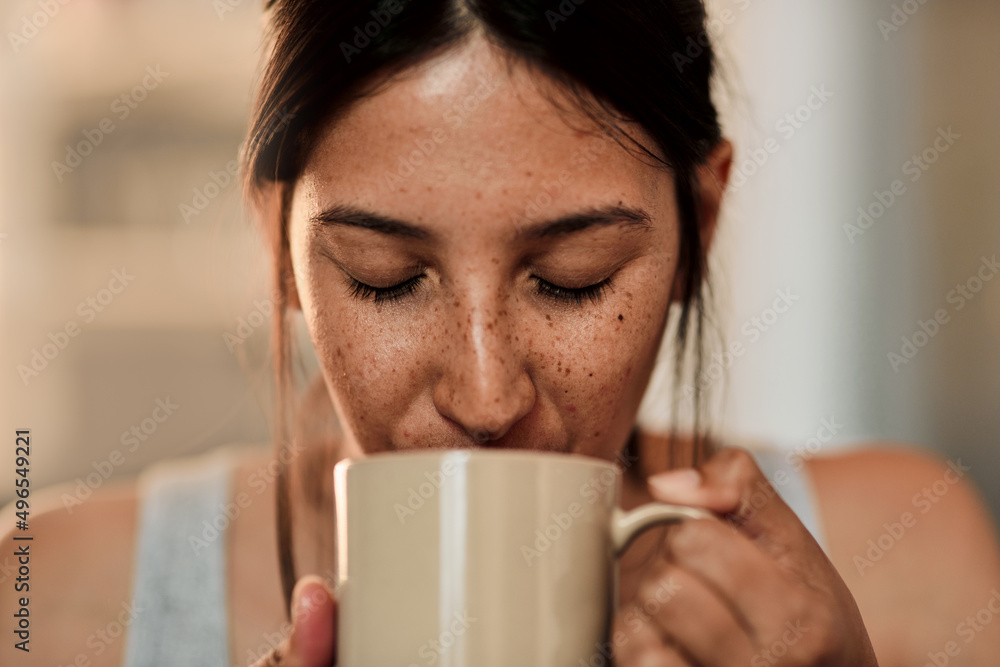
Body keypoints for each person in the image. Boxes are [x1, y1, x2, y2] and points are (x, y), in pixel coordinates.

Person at [4, 1, 1000, 666]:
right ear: (279, 248)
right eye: (385, 280)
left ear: (701, 227)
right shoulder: (44, 603)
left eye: (574, 281)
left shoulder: (901, 562)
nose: (486, 398)